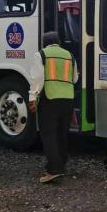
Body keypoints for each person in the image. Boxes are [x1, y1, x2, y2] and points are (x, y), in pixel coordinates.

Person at [29, 31, 78, 183]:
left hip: (50, 98)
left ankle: (54, 170)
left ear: (44, 43)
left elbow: (37, 78)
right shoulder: (70, 55)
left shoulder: (41, 55)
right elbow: (75, 78)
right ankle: (61, 165)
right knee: (62, 133)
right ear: (58, 42)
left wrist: (32, 98)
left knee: (48, 134)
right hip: (68, 99)